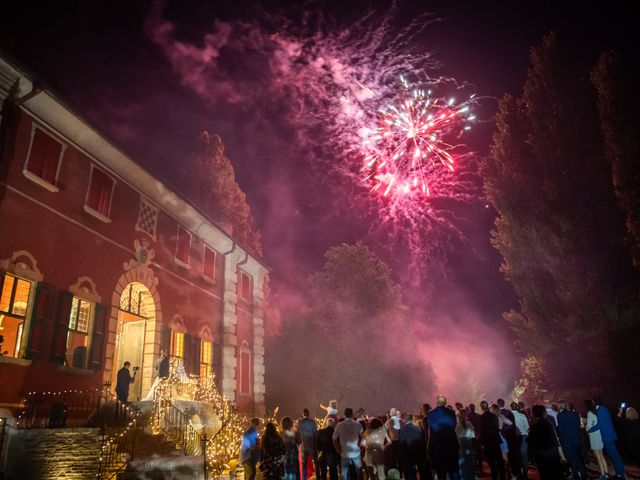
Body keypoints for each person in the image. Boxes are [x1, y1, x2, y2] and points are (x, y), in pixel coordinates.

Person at [588, 396, 625, 479]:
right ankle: (620, 472)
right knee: (614, 455)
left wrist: (590, 430)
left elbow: (600, 424)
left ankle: (620, 474)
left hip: (607, 436)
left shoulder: (600, 410)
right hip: (609, 435)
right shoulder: (603, 408)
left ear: (594, 402)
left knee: (614, 456)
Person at [428, 395, 460, 480]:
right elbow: (454, 426)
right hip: (451, 445)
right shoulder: (451, 412)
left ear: (437, 402)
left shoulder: (431, 414)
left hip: (437, 447)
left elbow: (431, 430)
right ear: (445, 402)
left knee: (441, 472)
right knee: (454, 471)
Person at [526, 405, 562, 480]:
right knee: (556, 474)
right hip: (552, 454)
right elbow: (555, 439)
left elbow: (529, 440)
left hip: (541, 455)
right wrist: (561, 454)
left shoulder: (534, 426)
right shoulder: (549, 424)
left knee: (545, 475)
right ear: (544, 413)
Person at [556, 400, 587, 480]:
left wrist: (557, 429)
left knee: (571, 459)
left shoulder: (560, 415)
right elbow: (578, 426)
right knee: (578, 458)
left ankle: (576, 476)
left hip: (567, 441)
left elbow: (560, 429)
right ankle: (583, 475)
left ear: (559, 406)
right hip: (577, 440)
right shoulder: (575, 414)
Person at [332, 407, 364, 480]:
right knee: (359, 472)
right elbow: (364, 437)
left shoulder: (339, 425)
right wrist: (362, 446)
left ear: (344, 415)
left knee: (344, 473)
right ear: (352, 414)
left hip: (344, 453)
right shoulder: (357, 424)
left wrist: (337, 449)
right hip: (356, 452)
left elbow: (334, 438)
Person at [400, 414, 432, 480]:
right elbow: (422, 441)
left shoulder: (401, 430)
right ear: (411, 419)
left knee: (412, 474)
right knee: (422, 473)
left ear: (405, 420)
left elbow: (402, 444)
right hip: (419, 454)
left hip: (408, 455)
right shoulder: (418, 428)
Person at [480, 401, 505, 480]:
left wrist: (482, 443)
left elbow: (482, 431)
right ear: (487, 407)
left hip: (487, 442)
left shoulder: (481, 417)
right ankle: (502, 477)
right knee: (499, 461)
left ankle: (494, 477)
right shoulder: (494, 415)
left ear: (481, 407)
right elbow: (497, 427)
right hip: (495, 440)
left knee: (491, 462)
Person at [584, 399, 607, 480]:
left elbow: (591, 425)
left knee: (598, 456)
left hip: (594, 435)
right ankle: (606, 473)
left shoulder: (590, 413)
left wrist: (586, 427)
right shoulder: (597, 412)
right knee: (601, 455)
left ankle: (603, 475)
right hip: (599, 434)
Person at [497, 399, 521, 479]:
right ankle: (515, 473)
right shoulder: (509, 412)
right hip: (511, 437)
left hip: (502, 437)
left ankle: (507, 474)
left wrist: (502, 430)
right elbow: (512, 425)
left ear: (498, 404)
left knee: (504, 456)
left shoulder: (498, 414)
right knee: (512, 455)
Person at [297, 408, 320, 480]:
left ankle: (304, 478)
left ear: (303, 414)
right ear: (308, 414)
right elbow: (316, 434)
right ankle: (318, 477)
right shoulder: (312, 422)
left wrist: (299, 444)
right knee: (316, 463)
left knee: (304, 464)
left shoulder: (300, 423)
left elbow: (298, 435)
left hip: (304, 445)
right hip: (312, 445)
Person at [455, 408, 476, 480]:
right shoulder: (469, 423)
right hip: (468, 445)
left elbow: (456, 436)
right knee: (469, 463)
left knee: (462, 464)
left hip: (460, 446)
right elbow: (473, 435)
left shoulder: (457, 425)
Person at [511, 402, 530, 479]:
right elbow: (528, 429)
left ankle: (518, 473)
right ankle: (525, 473)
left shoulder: (509, 416)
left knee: (516, 455)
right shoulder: (522, 416)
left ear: (511, 407)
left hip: (514, 437)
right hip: (524, 436)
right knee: (524, 456)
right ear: (517, 407)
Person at [385, 408, 405, 473]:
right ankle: (401, 473)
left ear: (390, 414)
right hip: (400, 441)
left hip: (392, 442)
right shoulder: (402, 421)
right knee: (400, 458)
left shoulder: (388, 422)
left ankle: (394, 473)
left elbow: (385, 432)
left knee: (393, 459)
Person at [468, 404, 483, 474]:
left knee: (473, 453)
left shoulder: (467, 417)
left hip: (471, 437)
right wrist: (479, 434)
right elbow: (480, 427)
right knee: (478, 452)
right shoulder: (478, 416)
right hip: (477, 436)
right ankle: (479, 467)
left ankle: (475, 468)